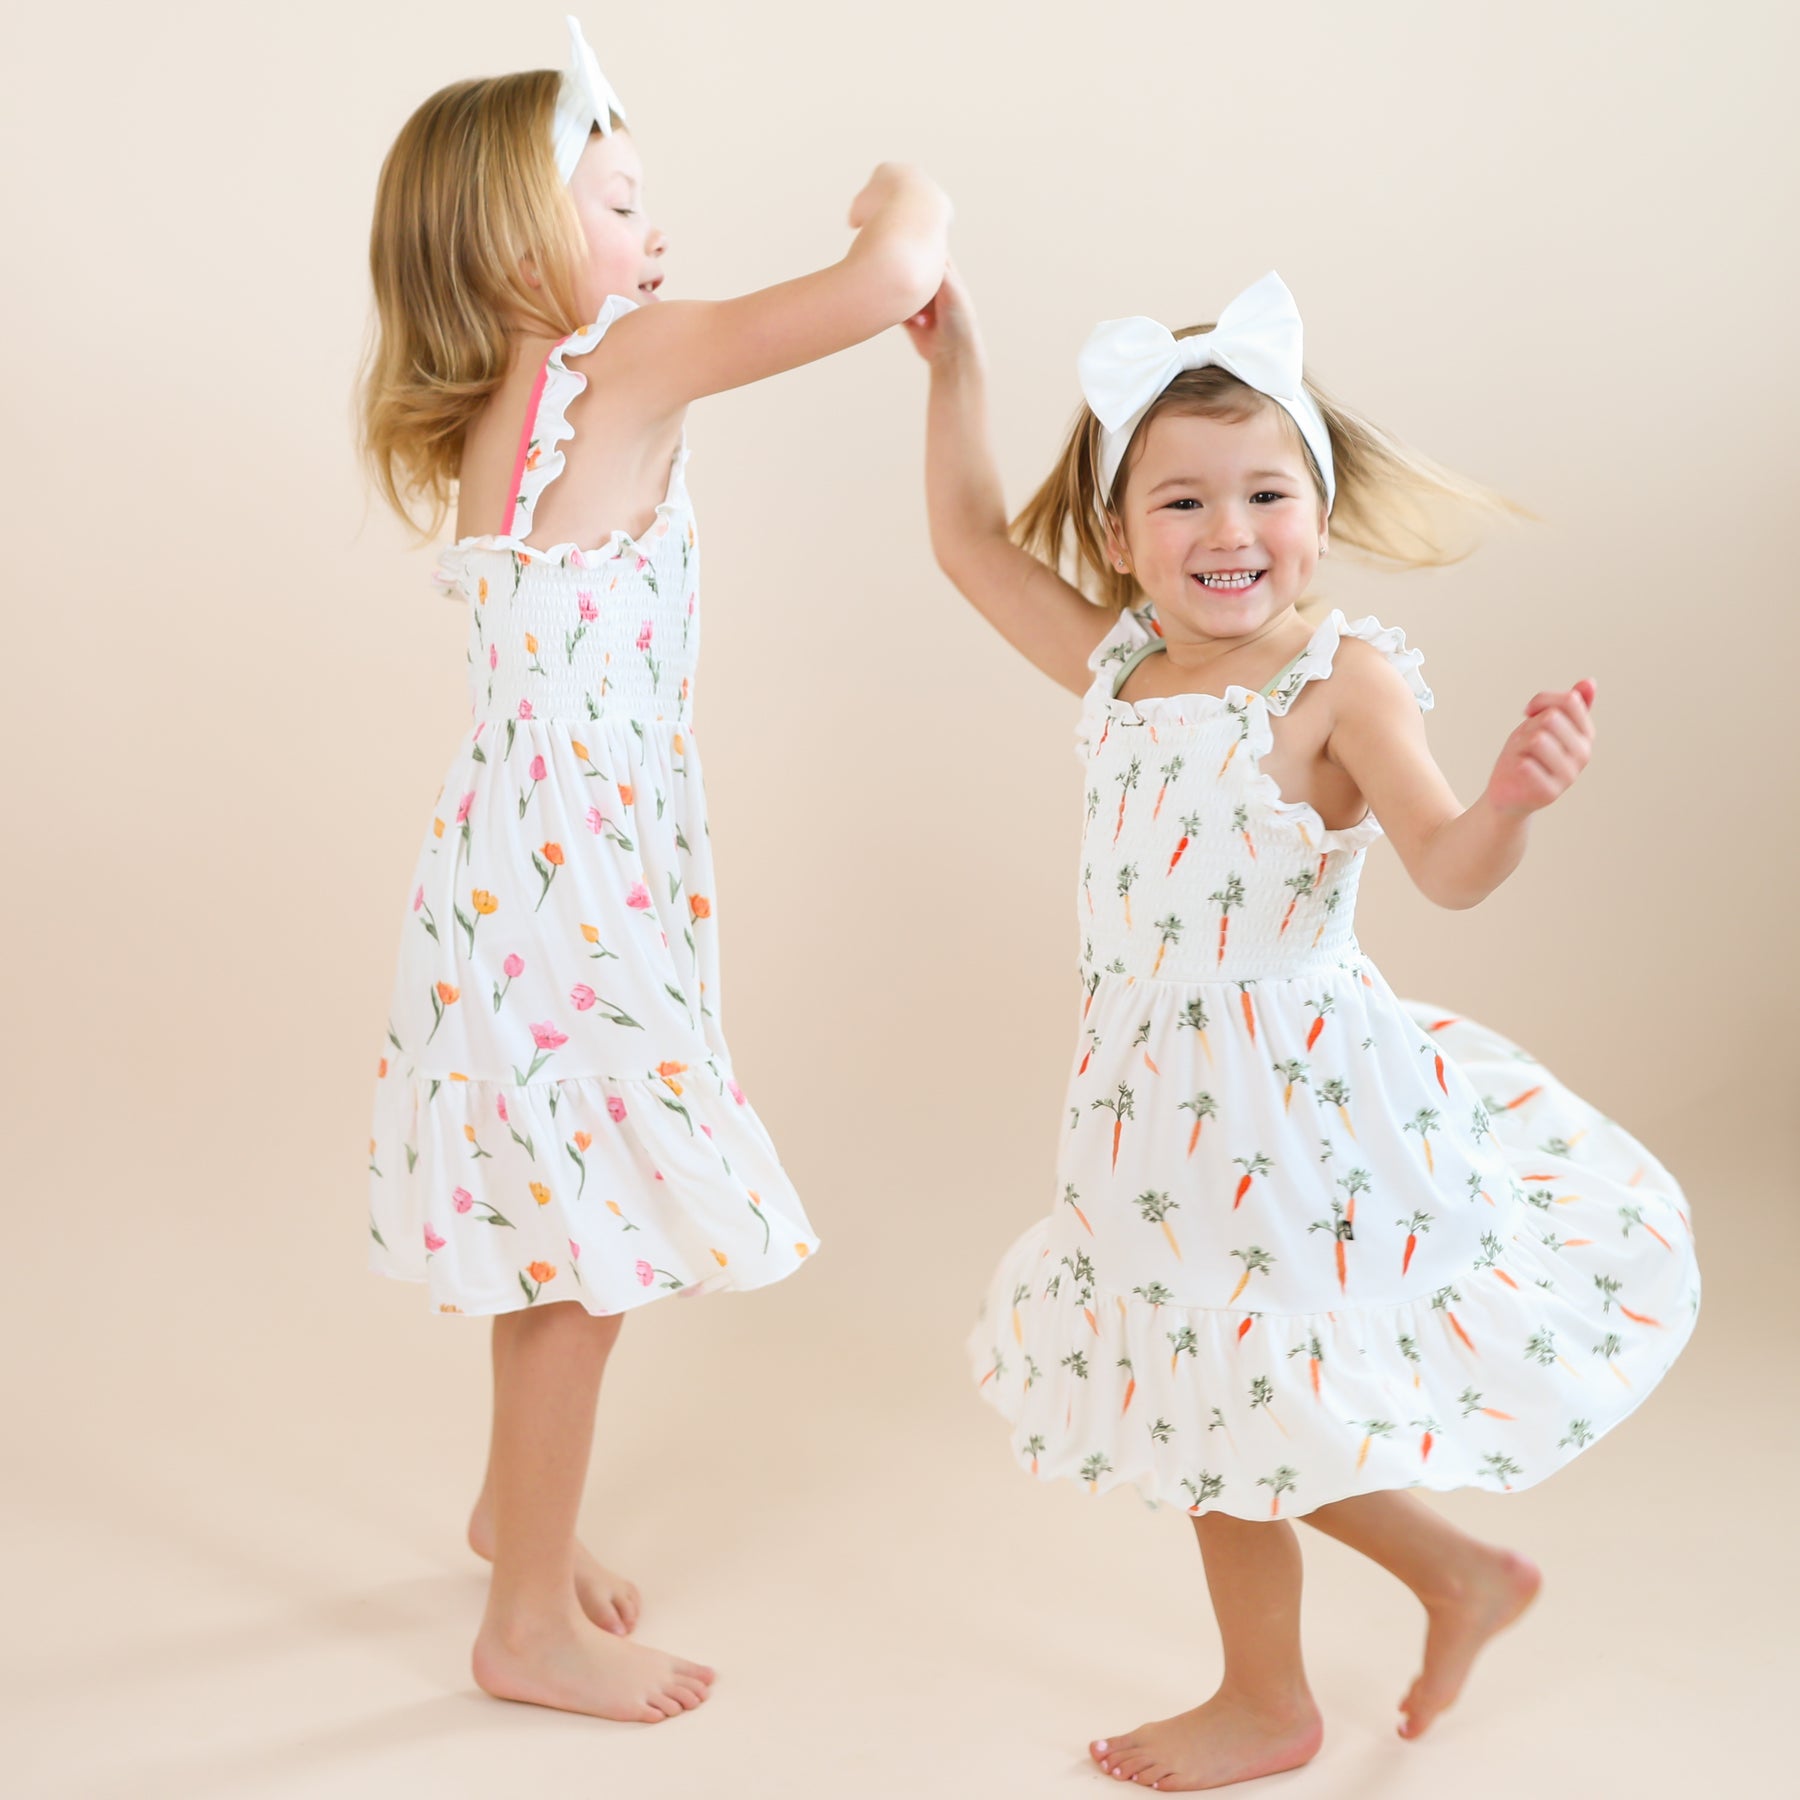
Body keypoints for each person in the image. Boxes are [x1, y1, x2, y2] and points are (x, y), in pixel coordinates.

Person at [908, 265, 1698, 1789]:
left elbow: (1450, 871)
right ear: (1121, 539)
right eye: (1181, 504)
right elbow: (960, 540)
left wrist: (1512, 801)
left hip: (1288, 1106)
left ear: (1317, 519)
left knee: (1225, 1384)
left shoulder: (1339, 689)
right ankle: (1460, 1576)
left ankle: (1269, 1701)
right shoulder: (1121, 665)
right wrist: (956, 371)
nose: (1228, 533)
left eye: (1265, 493)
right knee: (1227, 1389)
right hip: (1151, 1105)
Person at [358, 16, 949, 1722]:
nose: (656, 237)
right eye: (622, 204)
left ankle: (511, 1520)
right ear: (523, 244)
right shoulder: (621, 362)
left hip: (522, 866)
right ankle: (525, 1621)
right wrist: (906, 191)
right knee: (588, 1245)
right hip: (563, 889)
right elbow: (885, 270)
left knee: (560, 1222)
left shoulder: (517, 404)